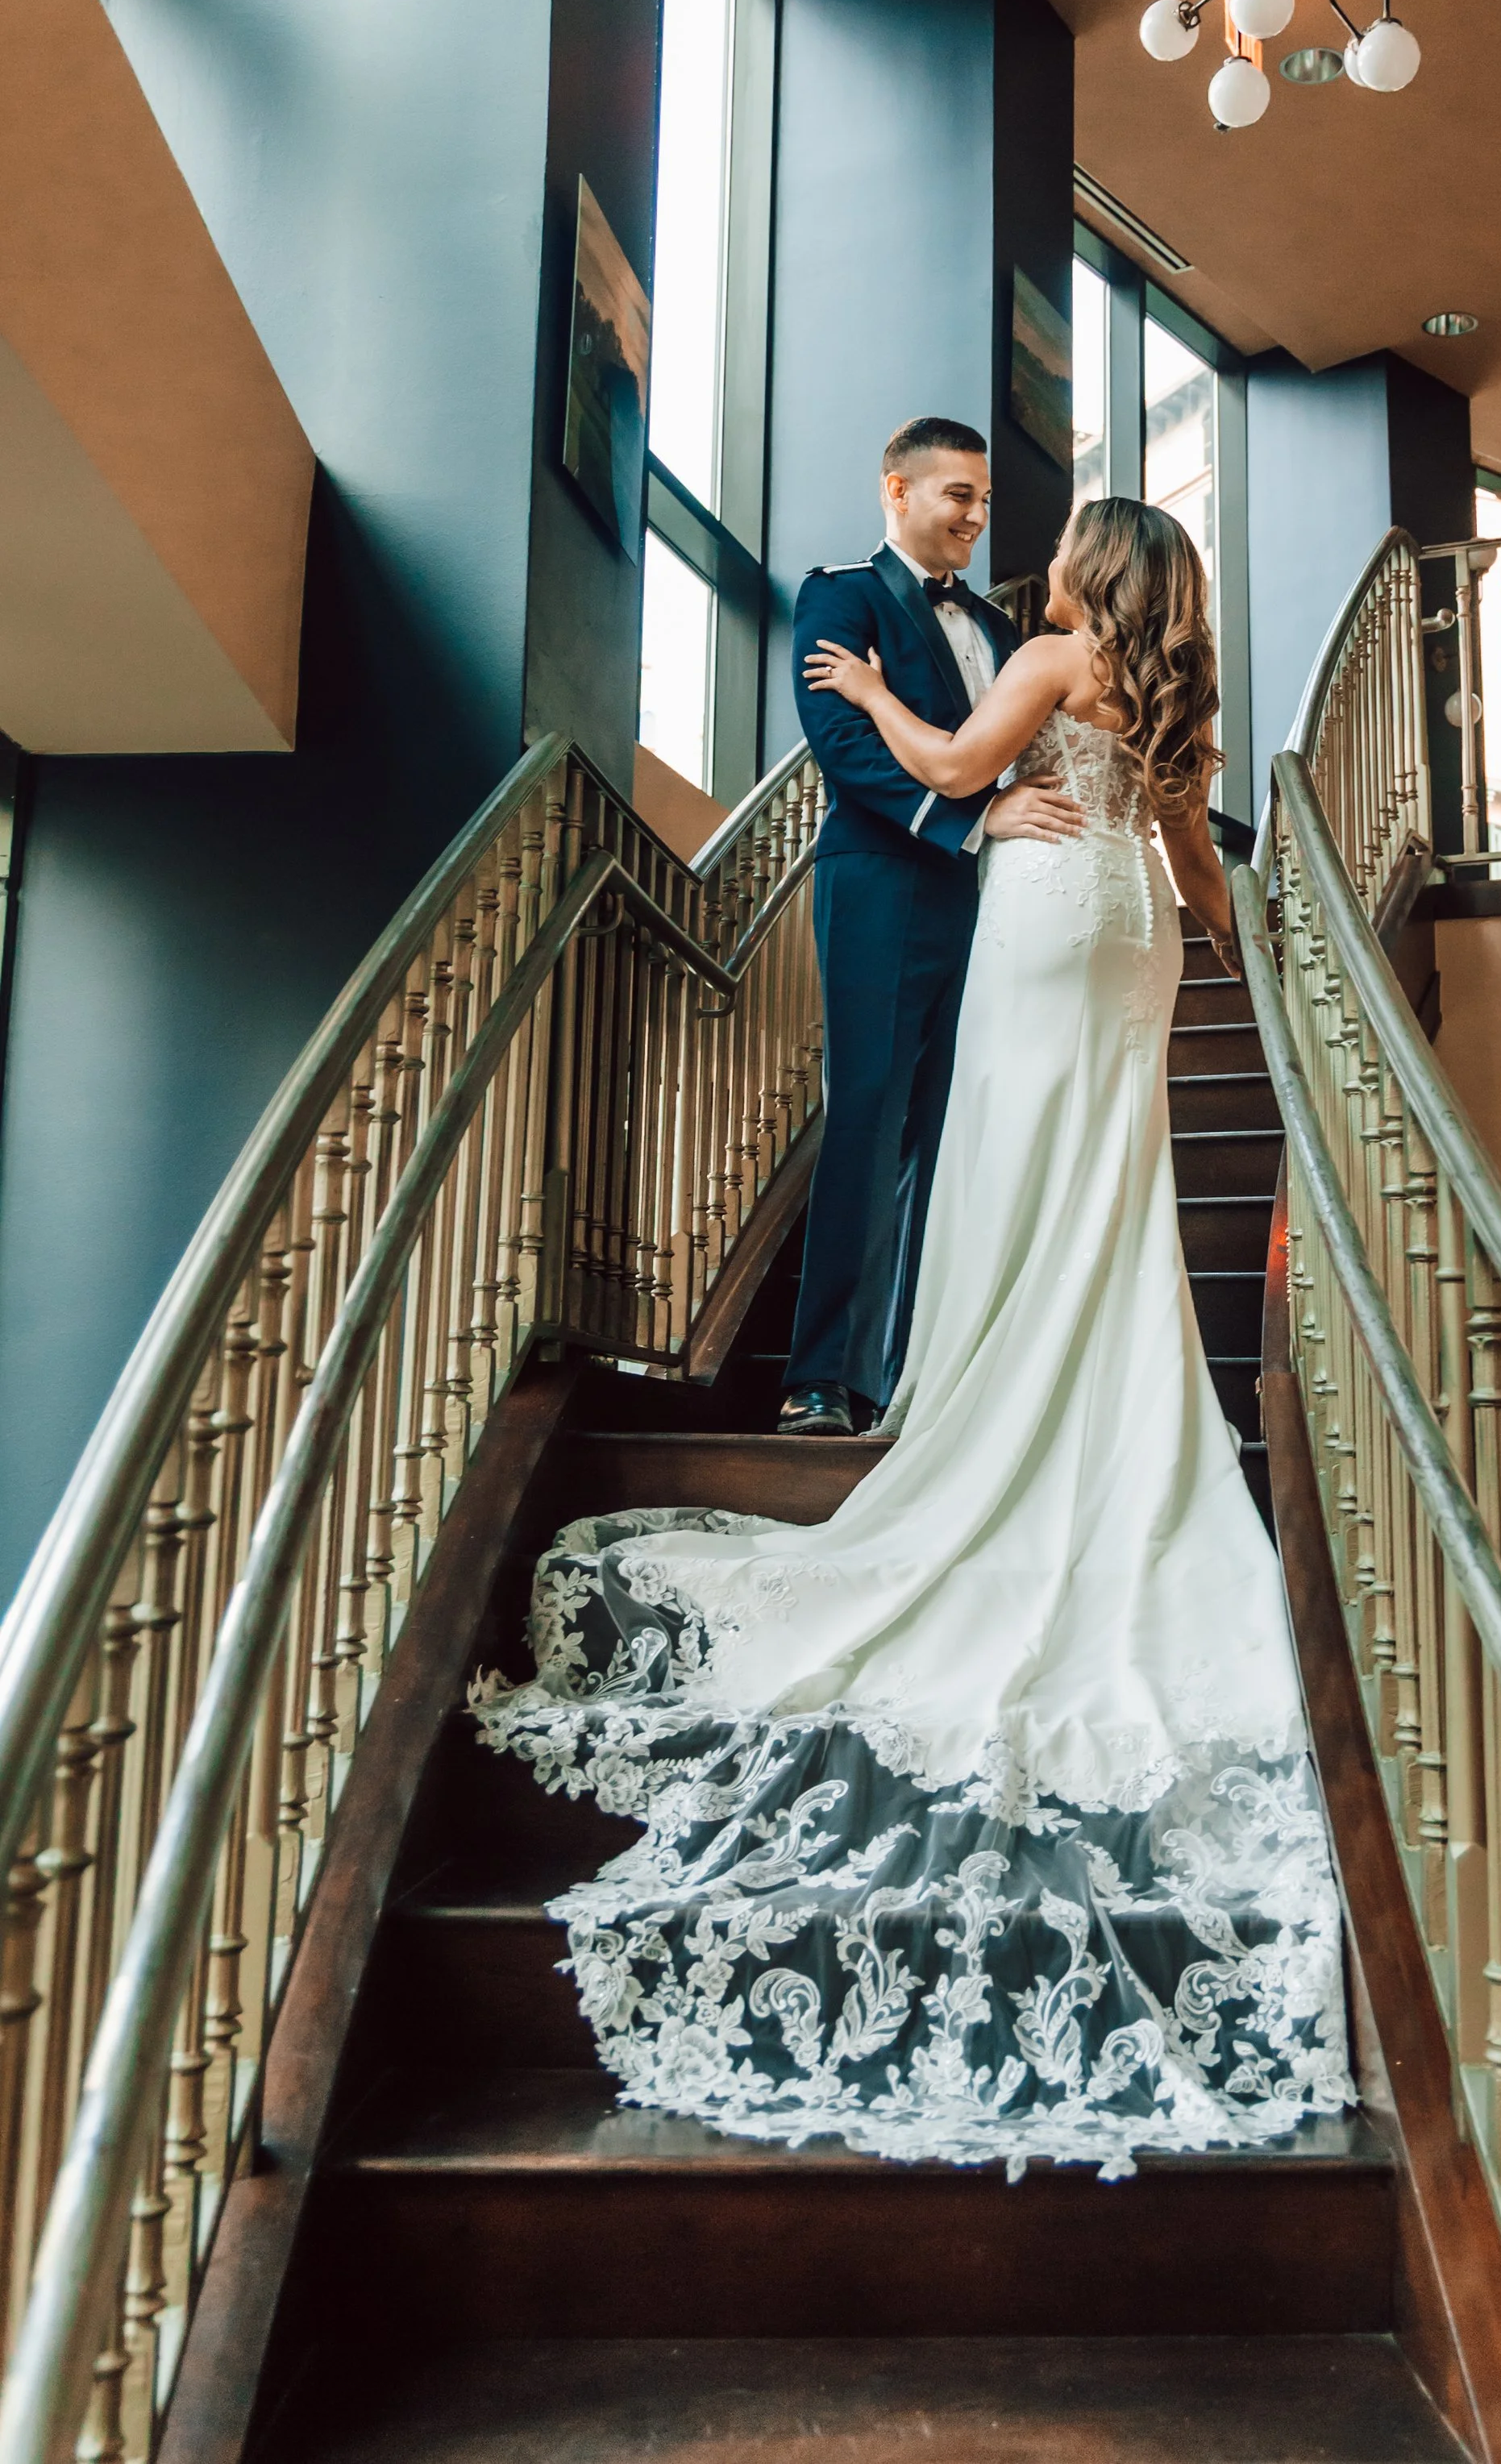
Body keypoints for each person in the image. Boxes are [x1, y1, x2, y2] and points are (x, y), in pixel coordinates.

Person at [477, 497, 1349, 2180]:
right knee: (1108, 1180)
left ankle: (994, 1403)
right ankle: (1093, 1400)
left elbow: (952, 777)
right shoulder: (1168, 692)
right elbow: (1200, 880)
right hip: (1133, 953)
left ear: (1092, 575)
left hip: (1037, 930)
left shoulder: (1046, 656)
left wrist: (873, 703)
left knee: (1011, 1167)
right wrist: (1243, 958)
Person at [776, 415, 1083, 1440]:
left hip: (992, 903)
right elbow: (846, 750)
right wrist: (974, 815)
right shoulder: (839, 594)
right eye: (958, 495)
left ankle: (913, 1371)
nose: (976, 516)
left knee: (953, 1131)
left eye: (984, 500)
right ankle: (821, 1379)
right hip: (881, 885)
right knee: (867, 1118)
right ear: (896, 492)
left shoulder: (998, 630)